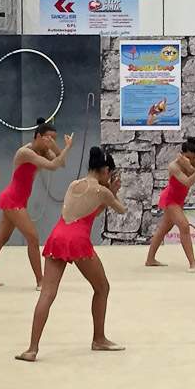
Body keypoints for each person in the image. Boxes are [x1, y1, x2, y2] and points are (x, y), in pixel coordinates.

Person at [16, 147, 126, 362]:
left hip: (57, 236)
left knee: (47, 293)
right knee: (102, 287)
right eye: (109, 174)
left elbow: (90, 212)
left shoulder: (73, 184)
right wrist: (113, 191)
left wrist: (107, 194)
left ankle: (32, 349)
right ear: (105, 170)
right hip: (77, 241)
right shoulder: (102, 191)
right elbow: (121, 210)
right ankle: (99, 339)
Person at [0, 118, 73, 288]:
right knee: (33, 237)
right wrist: (67, 147)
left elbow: (62, 163)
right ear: (38, 136)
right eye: (49, 138)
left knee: (1, 239)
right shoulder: (25, 153)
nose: (51, 142)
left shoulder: (44, 151)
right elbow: (53, 165)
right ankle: (40, 280)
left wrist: (56, 147)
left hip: (18, 200)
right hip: (12, 199)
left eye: (54, 139)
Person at [145, 137, 195, 272]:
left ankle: (150, 259)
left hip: (179, 201)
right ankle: (192, 263)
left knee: (163, 229)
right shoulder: (173, 166)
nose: (191, 160)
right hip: (170, 200)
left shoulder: (193, 162)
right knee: (184, 226)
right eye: (187, 157)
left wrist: (192, 166)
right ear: (181, 154)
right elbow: (188, 182)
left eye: (193, 158)